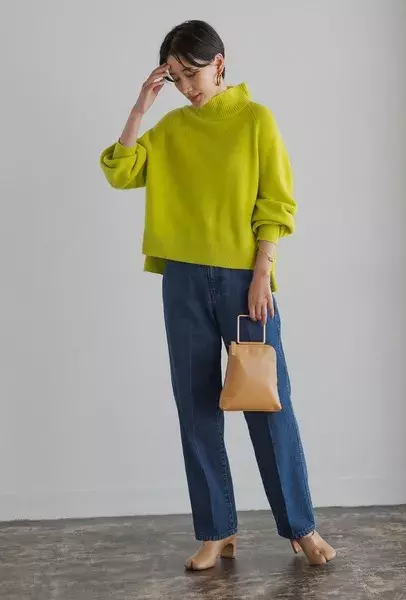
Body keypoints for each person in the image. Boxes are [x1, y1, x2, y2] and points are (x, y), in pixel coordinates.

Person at [100, 19, 336, 570]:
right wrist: (140, 107)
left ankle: (301, 527)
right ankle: (215, 531)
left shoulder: (256, 120)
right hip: (182, 279)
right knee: (196, 406)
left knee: (267, 404)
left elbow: (276, 201)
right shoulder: (172, 128)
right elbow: (120, 171)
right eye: (175, 77)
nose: (186, 87)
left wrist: (262, 272)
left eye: (192, 73)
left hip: (242, 281)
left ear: (220, 63)